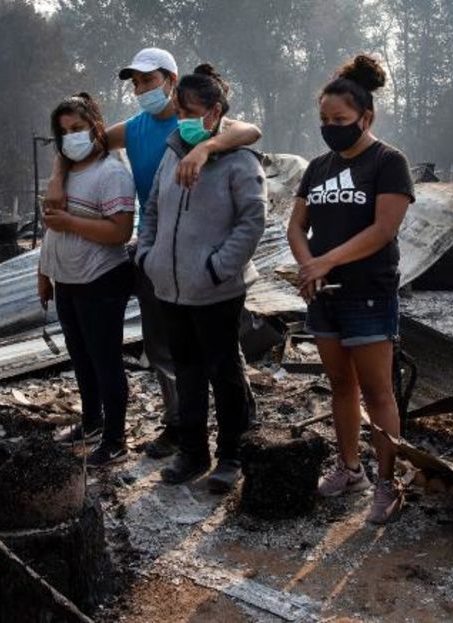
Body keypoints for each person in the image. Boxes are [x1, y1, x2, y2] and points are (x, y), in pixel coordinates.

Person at [45, 48, 262, 460]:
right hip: (159, 249)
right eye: (136, 83)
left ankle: (241, 424)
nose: (141, 89)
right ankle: (179, 424)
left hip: (208, 252)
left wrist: (204, 149)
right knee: (165, 346)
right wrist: (58, 177)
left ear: (172, 81)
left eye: (149, 80)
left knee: (221, 348)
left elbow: (250, 132)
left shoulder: (202, 124)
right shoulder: (137, 128)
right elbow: (78, 143)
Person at [286, 54, 415, 524]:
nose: (330, 127)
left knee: (379, 392)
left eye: (339, 120)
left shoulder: (388, 162)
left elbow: (383, 230)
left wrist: (326, 260)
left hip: (368, 294)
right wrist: (309, 268)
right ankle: (350, 468)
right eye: (323, 120)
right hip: (325, 296)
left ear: (366, 117)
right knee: (341, 385)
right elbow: (296, 225)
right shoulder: (318, 167)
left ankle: (387, 482)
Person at [136, 64, 266, 493]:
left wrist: (217, 268)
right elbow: (153, 208)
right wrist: (148, 256)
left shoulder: (240, 161)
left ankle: (231, 454)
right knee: (187, 371)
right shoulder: (173, 153)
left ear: (215, 113)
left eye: (190, 112)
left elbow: (251, 221)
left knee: (224, 372)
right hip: (170, 286)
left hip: (216, 290)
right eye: (179, 112)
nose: (182, 120)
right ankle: (193, 451)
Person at [39, 93, 136, 467]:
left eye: (78, 128)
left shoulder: (111, 173)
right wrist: (44, 273)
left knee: (105, 360)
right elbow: (52, 232)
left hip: (101, 279)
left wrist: (71, 222)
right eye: (64, 132)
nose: (71, 137)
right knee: (81, 358)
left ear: (97, 127)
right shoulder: (64, 176)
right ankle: (92, 422)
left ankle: (115, 439)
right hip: (67, 279)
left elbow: (120, 232)